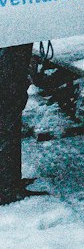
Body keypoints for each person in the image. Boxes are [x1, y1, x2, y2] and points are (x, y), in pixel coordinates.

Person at [0, 45, 32, 204]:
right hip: (10, 51)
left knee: (10, 118)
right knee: (8, 117)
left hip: (14, 46)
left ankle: (11, 181)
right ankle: (6, 188)